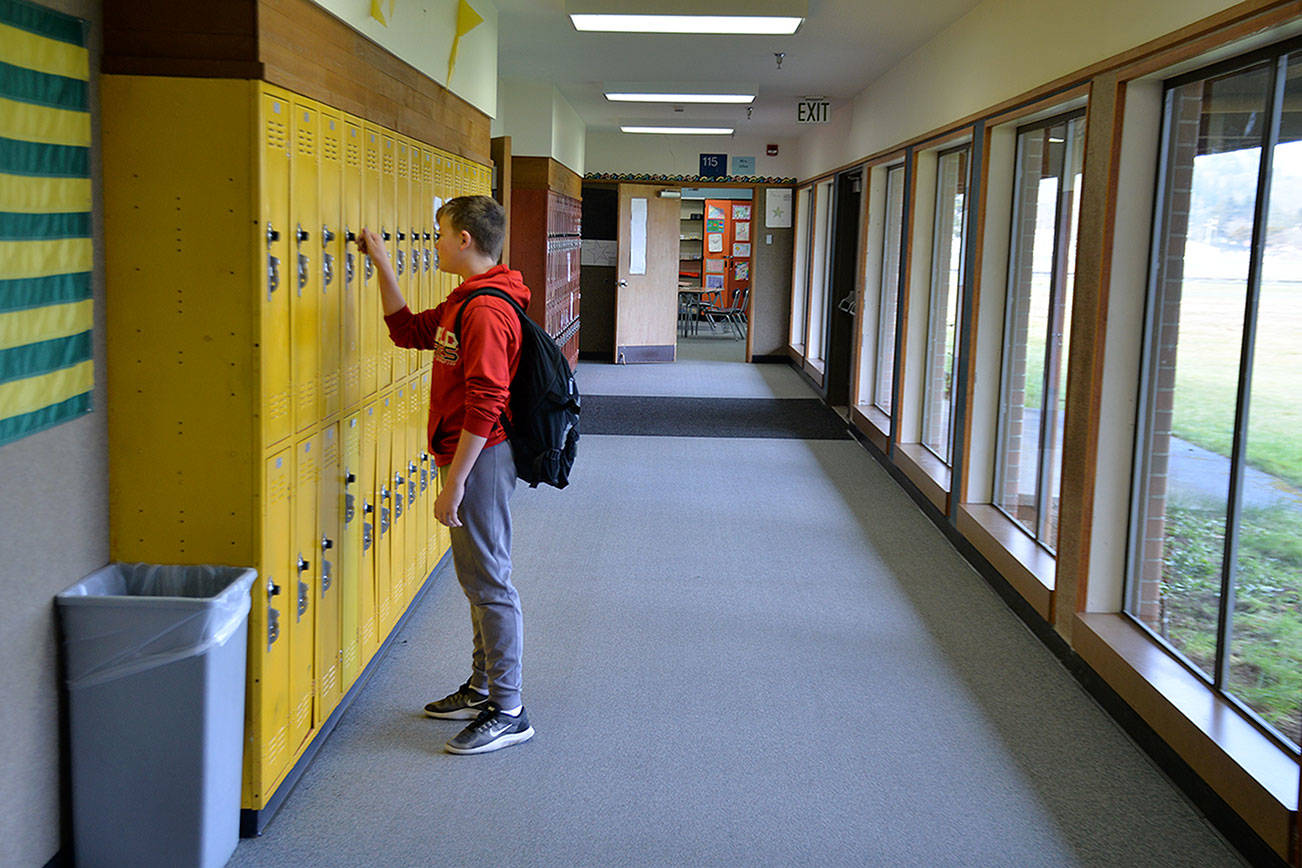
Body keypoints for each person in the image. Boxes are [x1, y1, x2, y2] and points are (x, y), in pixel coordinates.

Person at [354, 195, 533, 755]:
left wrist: (456, 479)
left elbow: (487, 399)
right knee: (476, 577)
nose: (432, 242)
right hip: (466, 456)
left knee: (491, 579)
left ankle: (509, 708)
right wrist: (383, 264)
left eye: (438, 233)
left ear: (463, 240)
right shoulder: (465, 300)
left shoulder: (485, 310)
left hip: (480, 457)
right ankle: (483, 686)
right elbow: (406, 331)